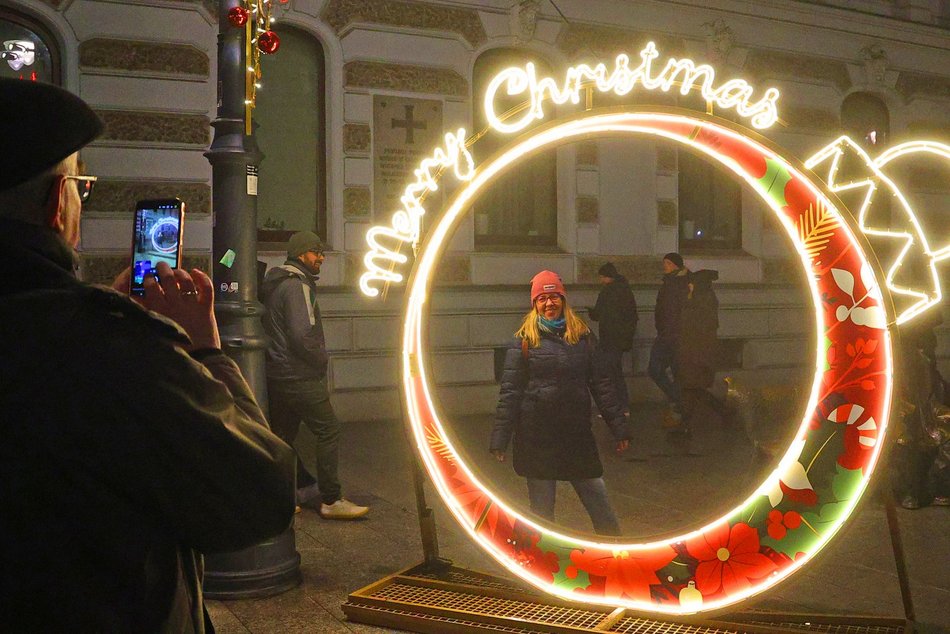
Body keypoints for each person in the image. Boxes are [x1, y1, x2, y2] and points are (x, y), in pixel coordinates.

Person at [0, 79, 296, 631]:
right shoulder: (107, 348)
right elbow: (259, 493)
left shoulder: (85, 334)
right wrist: (204, 347)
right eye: (80, 188)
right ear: (54, 203)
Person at [489, 270, 631, 536]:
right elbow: (510, 392)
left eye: (554, 297)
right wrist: (500, 438)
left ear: (563, 300)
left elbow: (601, 385)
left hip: (576, 435)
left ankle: (616, 558)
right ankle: (544, 566)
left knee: (599, 503)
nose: (549, 303)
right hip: (537, 438)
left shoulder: (583, 337)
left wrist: (618, 427)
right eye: (543, 298)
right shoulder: (523, 341)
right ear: (535, 304)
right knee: (542, 515)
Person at [261, 232, 369, 520]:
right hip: (298, 374)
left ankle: (290, 492)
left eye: (321, 251)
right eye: (314, 252)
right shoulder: (298, 287)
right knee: (328, 429)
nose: (320, 257)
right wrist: (321, 360)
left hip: (278, 373)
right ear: (299, 254)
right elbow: (302, 334)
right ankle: (331, 499)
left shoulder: (277, 284)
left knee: (282, 437)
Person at [675, 269, 731, 437]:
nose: (689, 286)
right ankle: (722, 413)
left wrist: (698, 359)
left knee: (692, 389)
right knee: (693, 390)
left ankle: (685, 425)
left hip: (697, 356)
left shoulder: (702, 303)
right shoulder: (699, 301)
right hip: (693, 355)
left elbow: (696, 330)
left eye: (691, 283)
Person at [589, 262, 638, 416]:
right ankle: (622, 407)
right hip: (620, 339)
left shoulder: (607, 292)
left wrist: (592, 312)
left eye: (602, 277)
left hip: (609, 338)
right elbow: (631, 316)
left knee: (610, 374)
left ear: (607, 277)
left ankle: (616, 408)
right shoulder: (625, 290)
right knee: (615, 372)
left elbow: (598, 314)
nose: (601, 280)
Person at [648, 252, 689, 420]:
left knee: (656, 369)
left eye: (667, 263)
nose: (664, 265)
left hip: (671, 335)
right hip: (669, 334)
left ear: (675, 265)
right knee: (675, 372)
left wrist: (667, 331)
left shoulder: (678, 283)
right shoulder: (671, 282)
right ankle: (681, 405)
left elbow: (675, 311)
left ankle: (680, 401)